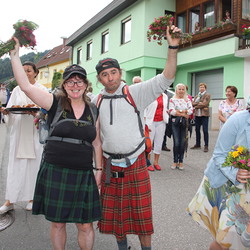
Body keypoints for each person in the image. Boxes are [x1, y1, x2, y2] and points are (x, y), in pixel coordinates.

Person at [93, 25, 181, 250]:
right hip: (110, 165)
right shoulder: (97, 101)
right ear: (99, 79)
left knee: (142, 220)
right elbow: (97, 139)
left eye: (113, 72)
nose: (110, 78)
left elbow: (166, 78)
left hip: (135, 163)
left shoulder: (135, 92)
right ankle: (123, 248)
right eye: (104, 74)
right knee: (115, 218)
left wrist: (172, 47)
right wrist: (98, 168)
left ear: (120, 73)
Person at [9, 37, 102, 250]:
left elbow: (96, 143)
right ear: (64, 85)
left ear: (86, 85)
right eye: (70, 81)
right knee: (58, 223)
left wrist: (98, 170)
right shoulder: (54, 102)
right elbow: (24, 85)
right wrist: (14, 55)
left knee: (86, 225)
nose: (75, 85)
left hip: (83, 173)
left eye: (79, 81)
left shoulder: (93, 109)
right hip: (56, 171)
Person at [187, 97, 250, 250]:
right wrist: (235, 173)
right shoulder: (237, 120)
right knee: (226, 240)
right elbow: (219, 154)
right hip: (228, 185)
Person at [0, 61, 47, 214]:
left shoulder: (42, 90)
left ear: (35, 72)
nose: (26, 73)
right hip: (19, 131)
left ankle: (32, 198)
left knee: (34, 166)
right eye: (23, 71)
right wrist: (7, 112)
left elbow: (47, 113)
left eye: (28, 70)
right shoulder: (16, 90)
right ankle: (10, 200)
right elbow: (11, 108)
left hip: (34, 133)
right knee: (15, 167)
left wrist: (37, 114)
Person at [168, 83, 193, 170]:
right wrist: (183, 113)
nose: (181, 91)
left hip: (185, 124)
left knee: (183, 143)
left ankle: (181, 161)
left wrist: (180, 111)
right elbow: (171, 111)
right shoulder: (172, 100)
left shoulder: (187, 100)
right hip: (175, 123)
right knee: (176, 142)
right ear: (176, 90)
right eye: (180, 89)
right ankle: (175, 161)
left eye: (183, 89)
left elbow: (190, 111)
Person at [145, 93, 169, 171]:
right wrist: (145, 122)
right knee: (149, 143)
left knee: (159, 142)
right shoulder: (150, 94)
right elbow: (145, 109)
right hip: (151, 121)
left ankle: (156, 162)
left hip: (161, 121)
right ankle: (148, 163)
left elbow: (165, 108)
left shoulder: (165, 96)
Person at [190, 82, 211, 152]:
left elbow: (205, 104)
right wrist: (199, 103)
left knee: (205, 130)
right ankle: (198, 144)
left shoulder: (207, 95)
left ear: (205, 88)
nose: (201, 88)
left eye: (203, 87)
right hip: (197, 115)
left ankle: (206, 145)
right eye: (200, 87)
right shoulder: (197, 96)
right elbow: (192, 104)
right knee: (197, 130)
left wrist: (196, 105)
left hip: (204, 115)